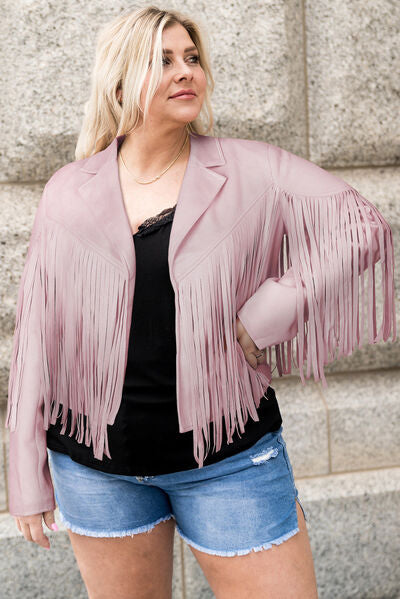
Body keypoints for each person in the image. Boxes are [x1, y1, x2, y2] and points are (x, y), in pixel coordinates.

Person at [5, 5, 396, 599]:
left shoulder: (251, 168)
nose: (185, 71)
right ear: (120, 84)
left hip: (229, 462)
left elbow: (361, 226)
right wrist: (25, 476)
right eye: (162, 60)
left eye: (191, 58)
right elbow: (35, 336)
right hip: (96, 471)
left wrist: (271, 310)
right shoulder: (68, 190)